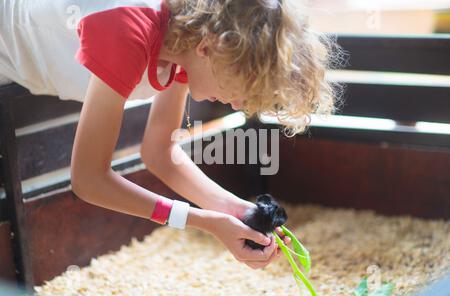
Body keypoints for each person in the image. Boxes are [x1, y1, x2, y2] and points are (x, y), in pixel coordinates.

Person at [0, 0, 337, 270]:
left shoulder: (186, 45)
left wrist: (238, 213)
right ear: (211, 48)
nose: (239, 104)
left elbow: (161, 152)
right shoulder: (128, 29)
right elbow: (89, 179)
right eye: (243, 89)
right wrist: (203, 221)